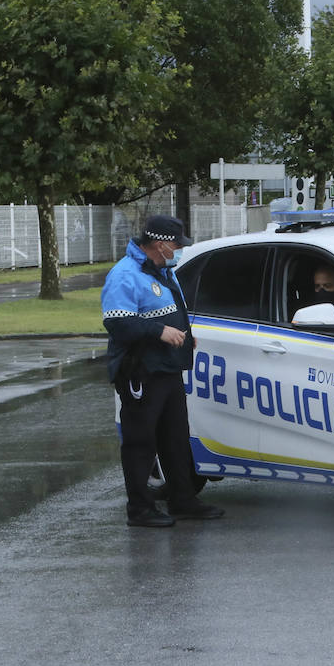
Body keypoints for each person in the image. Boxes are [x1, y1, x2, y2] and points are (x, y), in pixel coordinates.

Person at [101, 214, 223, 528]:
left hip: (167, 368)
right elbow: (117, 322)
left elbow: (172, 309)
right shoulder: (125, 274)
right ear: (160, 244)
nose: (179, 250)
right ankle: (139, 510)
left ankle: (182, 500)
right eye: (176, 244)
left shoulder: (162, 269)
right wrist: (159, 332)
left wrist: (184, 333)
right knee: (141, 441)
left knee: (175, 437)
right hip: (141, 371)